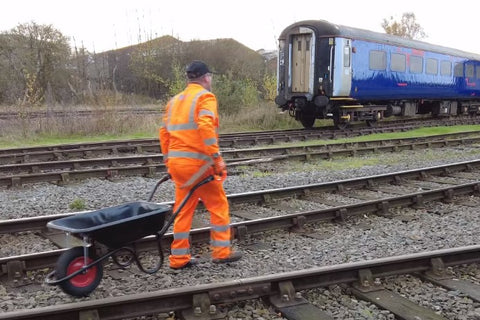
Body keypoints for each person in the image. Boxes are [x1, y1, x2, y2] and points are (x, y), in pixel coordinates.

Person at [159, 60, 242, 269]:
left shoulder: (174, 101)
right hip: (199, 166)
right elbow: (205, 127)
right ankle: (221, 252)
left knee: (183, 209)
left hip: (178, 165)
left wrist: (169, 161)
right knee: (218, 205)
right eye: (210, 77)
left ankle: (178, 258)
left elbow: (164, 133)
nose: (210, 80)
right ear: (206, 77)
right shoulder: (205, 97)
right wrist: (217, 159)